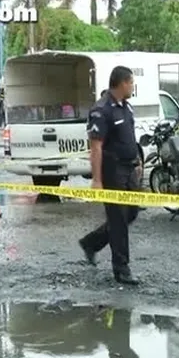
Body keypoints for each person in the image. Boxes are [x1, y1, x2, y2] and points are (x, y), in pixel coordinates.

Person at [78, 67, 142, 285]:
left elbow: (130, 136)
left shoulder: (126, 107)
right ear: (122, 83)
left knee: (130, 213)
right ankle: (121, 269)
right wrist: (97, 180)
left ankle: (91, 242)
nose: (132, 86)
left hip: (129, 168)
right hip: (112, 170)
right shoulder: (101, 110)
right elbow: (95, 147)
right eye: (131, 82)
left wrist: (137, 162)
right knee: (118, 220)